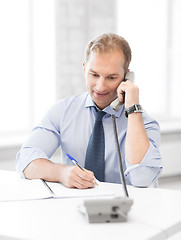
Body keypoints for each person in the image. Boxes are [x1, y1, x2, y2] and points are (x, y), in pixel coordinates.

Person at [16, 33, 162, 189]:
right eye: (94, 75)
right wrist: (61, 173)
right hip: (78, 206)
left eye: (111, 77)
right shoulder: (63, 111)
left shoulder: (145, 123)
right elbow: (25, 160)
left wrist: (133, 109)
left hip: (129, 209)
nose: (100, 86)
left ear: (127, 77)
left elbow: (142, 178)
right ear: (84, 69)